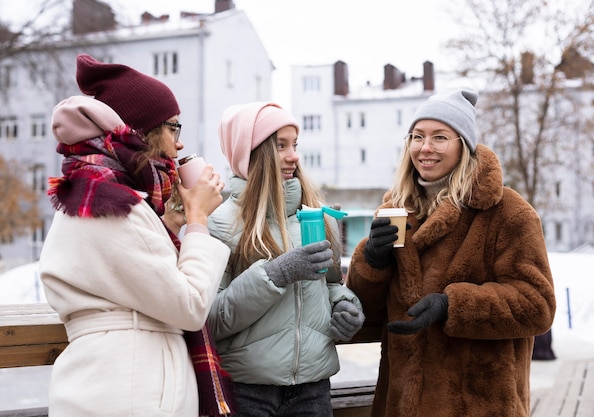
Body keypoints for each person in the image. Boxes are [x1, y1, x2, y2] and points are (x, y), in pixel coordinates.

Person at [39, 54, 234, 417]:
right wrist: (197, 219)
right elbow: (189, 306)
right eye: (173, 128)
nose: (178, 144)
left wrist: (171, 227)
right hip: (128, 389)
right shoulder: (110, 203)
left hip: (117, 382)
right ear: (143, 131)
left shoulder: (100, 194)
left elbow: (136, 275)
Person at [346, 88, 556, 417]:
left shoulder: (507, 212)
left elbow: (537, 306)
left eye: (439, 137)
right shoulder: (395, 212)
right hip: (401, 404)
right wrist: (372, 263)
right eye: (417, 136)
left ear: (464, 144)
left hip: (480, 404)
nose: (425, 147)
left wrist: (452, 305)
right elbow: (366, 321)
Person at [206, 101, 365, 417]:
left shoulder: (317, 218)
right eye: (280, 146)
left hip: (313, 389)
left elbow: (330, 286)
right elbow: (211, 319)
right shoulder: (219, 223)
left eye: (294, 144)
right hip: (247, 392)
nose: (294, 155)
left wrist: (346, 307)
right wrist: (275, 274)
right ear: (250, 153)